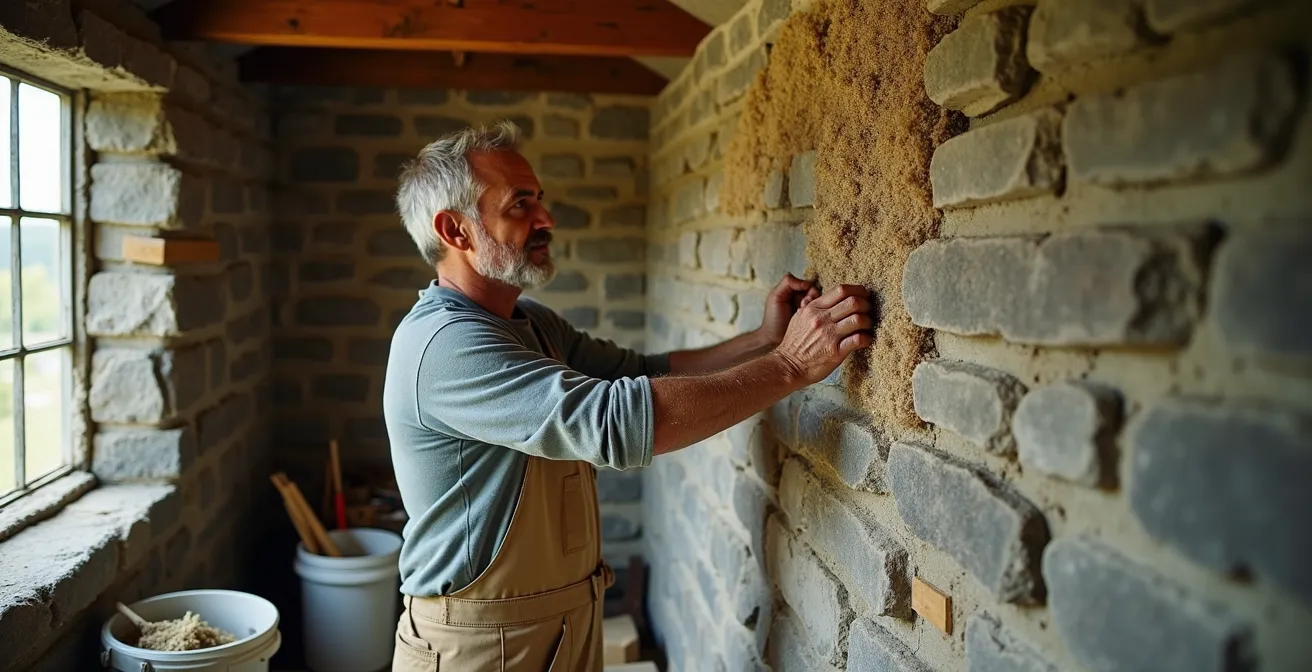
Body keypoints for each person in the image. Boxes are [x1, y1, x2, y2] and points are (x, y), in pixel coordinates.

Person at [382, 119, 874, 671]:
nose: (546, 219)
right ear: (455, 230)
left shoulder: (529, 323)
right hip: (480, 645)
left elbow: (642, 372)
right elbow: (613, 422)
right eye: (520, 205)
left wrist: (765, 340)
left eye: (540, 200)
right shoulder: (444, 346)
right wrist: (789, 366)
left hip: (563, 623)